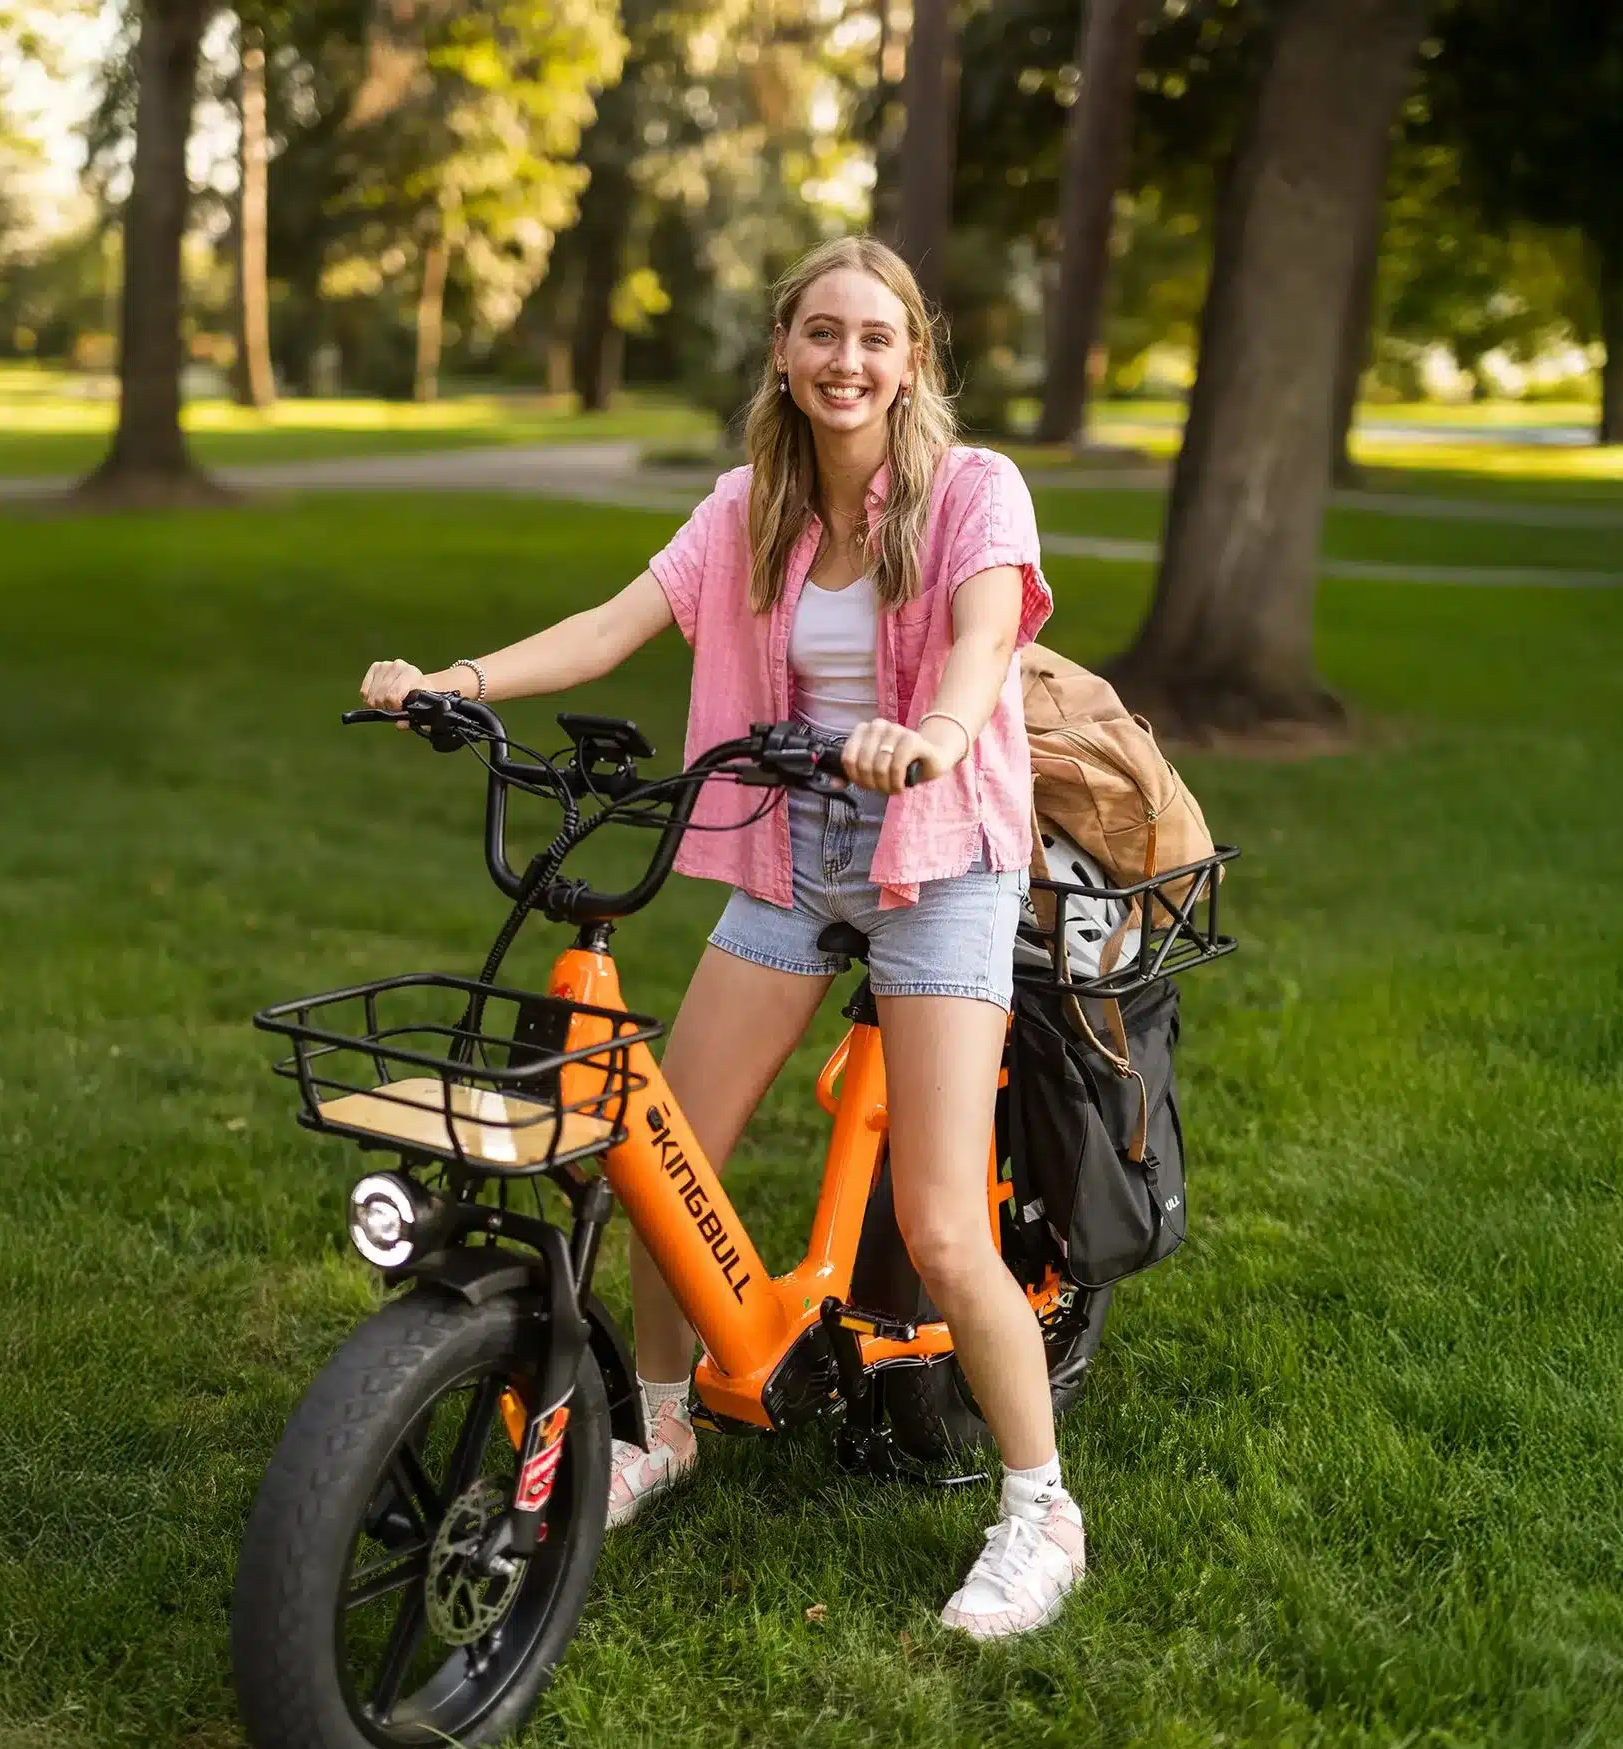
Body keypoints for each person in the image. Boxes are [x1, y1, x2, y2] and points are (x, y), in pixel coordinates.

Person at [359, 235, 1083, 1638]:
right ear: (784, 350)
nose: (847, 360)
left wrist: (930, 733)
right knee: (657, 1152)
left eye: (876, 337)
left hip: (936, 857)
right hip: (791, 849)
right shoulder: (749, 507)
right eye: (822, 333)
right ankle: (666, 1427)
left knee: (939, 1226)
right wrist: (451, 682)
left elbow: (986, 644)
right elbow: (613, 625)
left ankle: (1039, 1507)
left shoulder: (975, 492)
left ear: (914, 357)